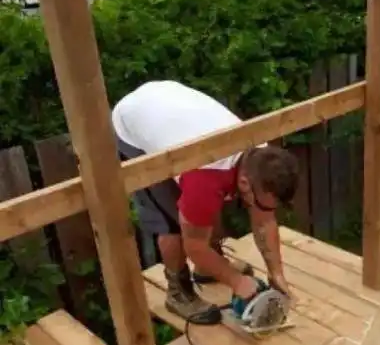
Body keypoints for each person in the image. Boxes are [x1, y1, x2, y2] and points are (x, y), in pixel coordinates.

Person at [112, 80, 298, 325]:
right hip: (132, 125)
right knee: (172, 222)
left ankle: (206, 269)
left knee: (202, 212)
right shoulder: (205, 178)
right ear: (244, 182)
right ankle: (178, 293)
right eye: (260, 204)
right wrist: (237, 282)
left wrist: (276, 274)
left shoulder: (261, 157)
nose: (262, 210)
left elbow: (264, 221)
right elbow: (194, 246)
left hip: (169, 108)